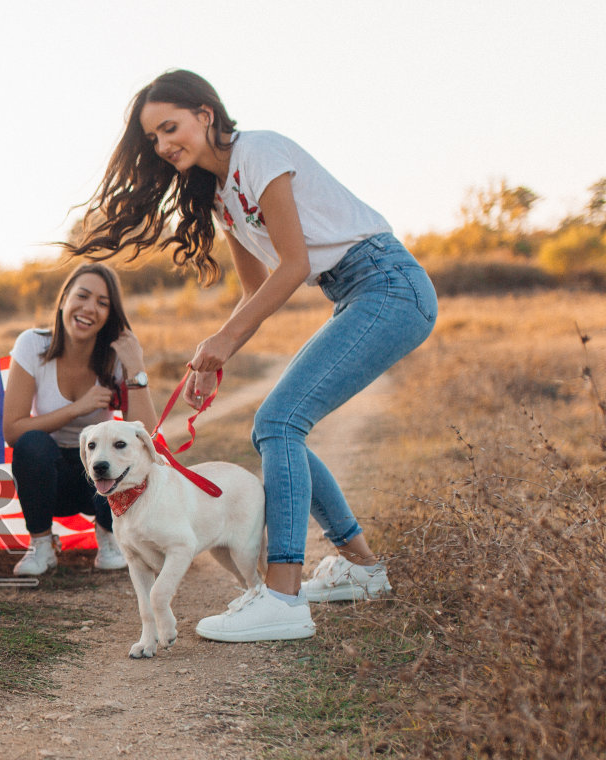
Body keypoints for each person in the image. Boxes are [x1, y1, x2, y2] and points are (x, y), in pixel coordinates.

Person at [69, 69, 436, 641]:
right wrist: (211, 357)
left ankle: (283, 599)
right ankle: (362, 569)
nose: (165, 146)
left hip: (387, 284)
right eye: (155, 140)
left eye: (171, 127)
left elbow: (292, 265)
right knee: (278, 424)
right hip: (354, 292)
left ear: (205, 114)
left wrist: (222, 343)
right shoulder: (220, 199)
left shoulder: (259, 151)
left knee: (278, 422)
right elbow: (254, 286)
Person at [1, 263, 157, 577]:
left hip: (101, 479)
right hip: (51, 477)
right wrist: (79, 408)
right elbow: (12, 430)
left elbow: (145, 435)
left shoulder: (115, 356)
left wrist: (136, 369)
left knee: (125, 452)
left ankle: (109, 538)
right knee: (32, 443)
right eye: (82, 296)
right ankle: (42, 545)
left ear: (110, 315)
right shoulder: (32, 344)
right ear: (63, 300)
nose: (90, 308)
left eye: (102, 303)